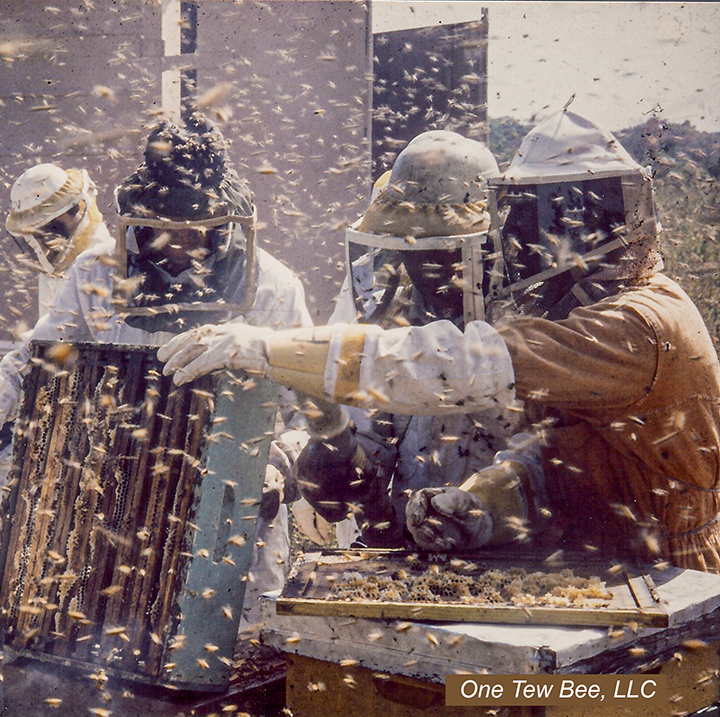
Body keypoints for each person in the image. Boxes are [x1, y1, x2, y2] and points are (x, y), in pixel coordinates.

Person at [159, 109, 720, 573]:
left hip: (650, 569)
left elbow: (459, 365)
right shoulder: (426, 316)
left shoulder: (626, 326)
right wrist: (479, 506)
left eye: (442, 255)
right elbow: (555, 459)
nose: (424, 273)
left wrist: (274, 349)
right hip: (489, 565)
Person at [0, 112, 313, 629]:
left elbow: (308, 409)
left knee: (236, 652)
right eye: (160, 230)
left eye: (195, 232)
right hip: (119, 502)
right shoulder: (96, 271)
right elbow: (37, 359)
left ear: (226, 222)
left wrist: (280, 464)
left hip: (231, 511)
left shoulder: (273, 287)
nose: (177, 246)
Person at [294, 131, 522, 549]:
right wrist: (341, 462)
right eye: (414, 251)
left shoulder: (524, 316)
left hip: (512, 548)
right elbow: (371, 436)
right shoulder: (389, 308)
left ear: (486, 247)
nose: (426, 268)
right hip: (409, 544)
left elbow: (541, 462)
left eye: (442, 252)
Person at [6, 163, 114, 316]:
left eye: (48, 226)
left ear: (72, 209)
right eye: (36, 232)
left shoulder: (102, 262)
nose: (42, 238)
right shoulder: (53, 267)